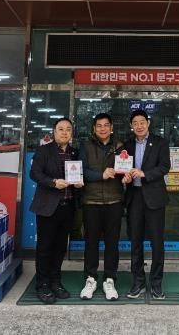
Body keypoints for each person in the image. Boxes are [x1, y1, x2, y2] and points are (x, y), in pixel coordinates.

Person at [29, 117, 83, 304]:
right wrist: (53, 182)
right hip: (47, 207)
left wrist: (80, 182)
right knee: (45, 247)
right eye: (61, 129)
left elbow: (78, 174)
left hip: (67, 206)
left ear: (72, 133)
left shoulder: (75, 152)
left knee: (60, 248)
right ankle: (42, 284)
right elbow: (35, 173)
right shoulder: (44, 150)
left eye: (68, 129)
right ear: (54, 132)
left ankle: (55, 281)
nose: (65, 132)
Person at [121, 109, 170, 300]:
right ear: (131, 126)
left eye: (142, 122)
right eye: (135, 123)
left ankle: (156, 283)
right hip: (134, 197)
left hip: (154, 198)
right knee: (135, 242)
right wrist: (125, 177)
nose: (139, 126)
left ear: (148, 123)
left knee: (157, 243)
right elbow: (123, 168)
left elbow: (164, 167)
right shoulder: (127, 145)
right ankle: (138, 282)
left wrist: (145, 174)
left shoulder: (160, 143)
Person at [78, 113, 125, 301]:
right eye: (99, 125)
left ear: (111, 128)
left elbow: (124, 170)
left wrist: (127, 175)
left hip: (114, 201)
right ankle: (90, 279)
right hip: (91, 201)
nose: (103, 128)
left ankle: (109, 279)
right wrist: (101, 175)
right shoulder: (85, 145)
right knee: (91, 243)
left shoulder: (120, 146)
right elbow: (81, 171)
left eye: (106, 125)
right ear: (94, 128)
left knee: (112, 243)